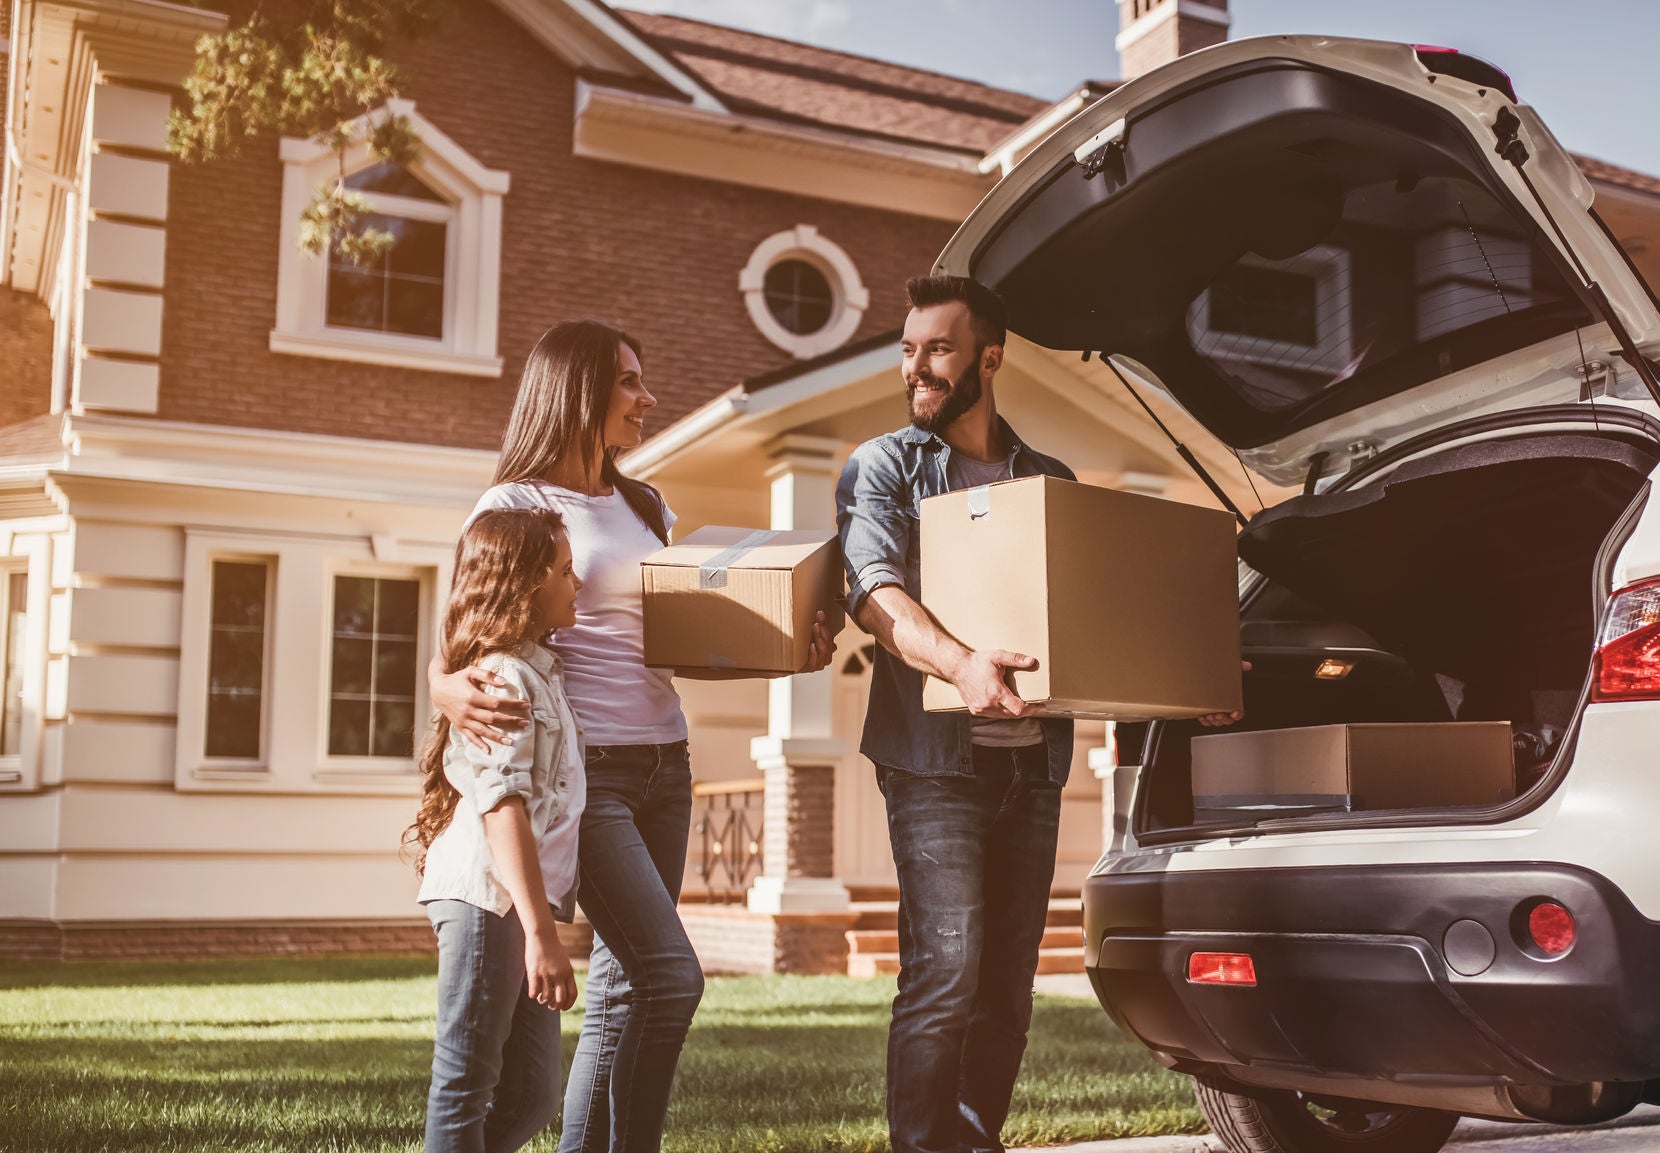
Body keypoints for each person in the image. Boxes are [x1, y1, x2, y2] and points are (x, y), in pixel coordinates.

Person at [836, 276, 1243, 1153]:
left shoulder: (1044, 480)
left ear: (990, 357)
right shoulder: (886, 466)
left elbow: (1096, 621)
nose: (918, 368)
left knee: (1008, 985)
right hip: (933, 763)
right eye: (908, 350)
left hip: (1031, 766)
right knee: (945, 970)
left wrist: (1188, 677)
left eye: (937, 349)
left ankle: (973, 1137)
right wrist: (960, 662)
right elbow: (874, 592)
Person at [429, 320, 834, 1153]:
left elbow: (673, 643)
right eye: (629, 382)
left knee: (623, 993)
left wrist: (783, 657)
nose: (647, 398)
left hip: (666, 766)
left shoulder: (645, 504)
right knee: (669, 976)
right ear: (577, 389)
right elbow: (460, 646)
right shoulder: (511, 507)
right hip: (592, 776)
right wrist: (441, 688)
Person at [408, 506, 586, 1153]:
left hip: (515, 901)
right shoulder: (503, 679)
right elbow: (501, 805)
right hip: (487, 899)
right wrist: (541, 933)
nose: (579, 583)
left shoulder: (539, 669)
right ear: (527, 583)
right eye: (566, 571)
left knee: (532, 1093)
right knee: (465, 1083)